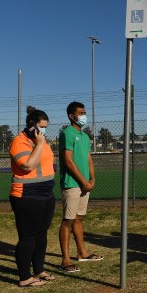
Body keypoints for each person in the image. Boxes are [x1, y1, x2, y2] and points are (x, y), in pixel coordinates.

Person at [9, 106, 56, 287]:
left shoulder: (42, 141)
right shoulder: (19, 142)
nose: (43, 131)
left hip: (46, 194)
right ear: (31, 126)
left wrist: (41, 143)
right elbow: (28, 166)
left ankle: (39, 270)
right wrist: (39, 144)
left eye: (45, 127)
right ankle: (25, 277)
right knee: (28, 237)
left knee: (41, 234)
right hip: (26, 195)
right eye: (41, 127)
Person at [58, 101, 102, 273]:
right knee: (67, 220)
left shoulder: (84, 136)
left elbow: (89, 158)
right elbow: (68, 161)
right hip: (72, 184)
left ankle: (82, 253)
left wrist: (92, 177)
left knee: (79, 218)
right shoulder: (66, 134)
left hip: (85, 185)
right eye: (81, 113)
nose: (84, 115)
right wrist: (82, 181)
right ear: (72, 116)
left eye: (85, 112)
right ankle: (65, 259)